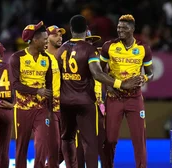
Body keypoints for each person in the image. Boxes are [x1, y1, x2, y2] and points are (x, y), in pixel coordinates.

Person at [56, 15, 141, 168]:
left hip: (65, 102)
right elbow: (97, 74)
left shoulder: (61, 49)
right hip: (85, 102)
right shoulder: (89, 49)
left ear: (71, 29)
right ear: (86, 29)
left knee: (67, 138)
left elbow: (56, 77)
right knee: (90, 142)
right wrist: (121, 84)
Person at [100, 14, 154, 168]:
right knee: (110, 139)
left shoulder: (143, 48)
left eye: (124, 28)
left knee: (139, 139)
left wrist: (145, 78)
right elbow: (100, 71)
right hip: (114, 97)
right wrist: (109, 86)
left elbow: (150, 72)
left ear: (132, 29)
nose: (120, 30)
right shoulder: (109, 46)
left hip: (134, 98)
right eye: (118, 27)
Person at [9, 21, 56, 168]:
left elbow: (49, 86)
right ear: (35, 40)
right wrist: (36, 91)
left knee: (41, 144)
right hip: (22, 109)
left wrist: (49, 110)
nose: (46, 42)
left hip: (41, 110)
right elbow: (15, 85)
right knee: (21, 147)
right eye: (44, 40)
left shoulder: (46, 59)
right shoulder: (17, 58)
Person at [76, 30, 106, 168]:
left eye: (91, 42)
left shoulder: (97, 58)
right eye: (87, 41)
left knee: (102, 144)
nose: (90, 44)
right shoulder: (74, 59)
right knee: (79, 147)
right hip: (80, 107)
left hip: (98, 108)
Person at [44, 25, 66, 167]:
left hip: (65, 107)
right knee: (53, 147)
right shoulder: (42, 58)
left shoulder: (65, 57)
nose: (60, 37)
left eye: (61, 35)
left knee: (66, 147)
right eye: (55, 35)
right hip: (48, 109)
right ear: (47, 38)